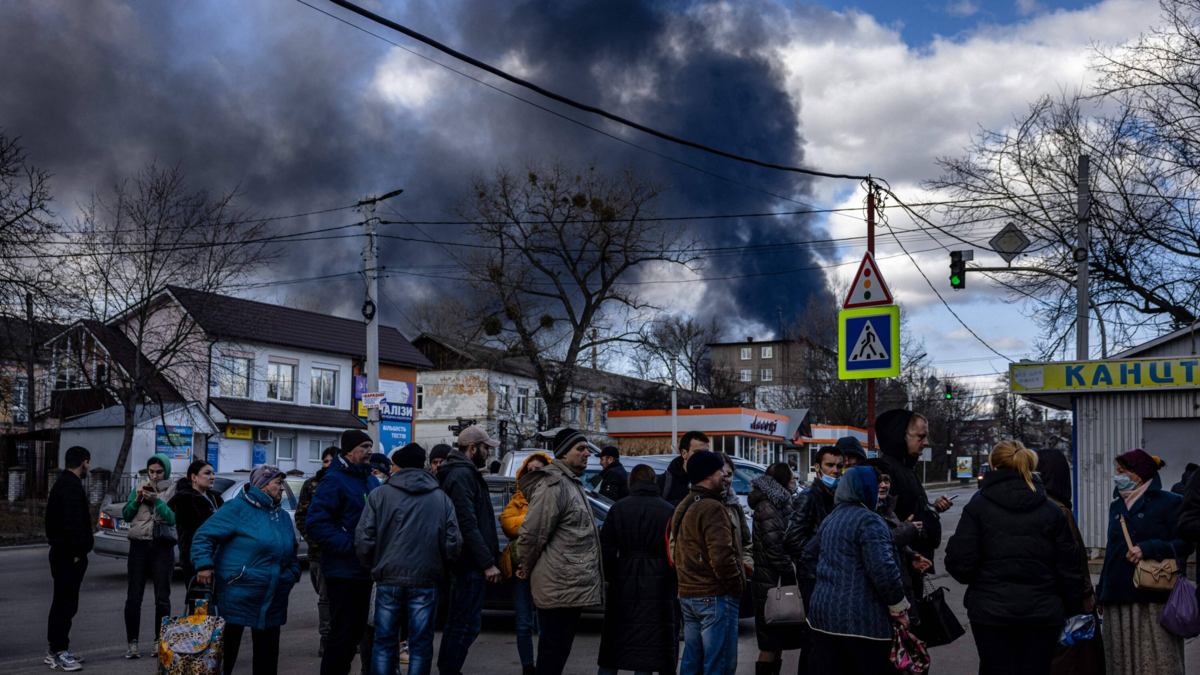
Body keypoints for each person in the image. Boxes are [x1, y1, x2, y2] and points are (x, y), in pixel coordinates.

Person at [944, 441, 1087, 675]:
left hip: (990, 615)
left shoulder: (977, 507)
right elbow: (1070, 569)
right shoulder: (1052, 510)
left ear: (993, 466)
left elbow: (960, 565)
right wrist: (1070, 609)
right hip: (1042, 616)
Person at [356, 443, 461, 675]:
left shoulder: (379, 495)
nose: (391, 468)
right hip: (426, 579)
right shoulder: (441, 498)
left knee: (384, 642)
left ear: (400, 466)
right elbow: (453, 543)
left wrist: (374, 567)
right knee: (421, 644)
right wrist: (440, 569)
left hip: (388, 577)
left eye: (393, 465)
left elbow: (364, 539)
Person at [192, 465, 300, 675]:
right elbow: (204, 536)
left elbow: (292, 551)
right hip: (238, 593)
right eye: (278, 483)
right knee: (224, 656)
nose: (282, 488)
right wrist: (204, 565)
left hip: (273, 596)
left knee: (267, 659)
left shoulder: (283, 516)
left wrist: (291, 574)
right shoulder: (237, 508)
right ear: (263, 485)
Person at [803, 466, 909, 674]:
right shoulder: (869, 520)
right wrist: (899, 609)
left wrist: (831, 577)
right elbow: (884, 571)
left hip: (823, 618)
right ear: (866, 488)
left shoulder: (832, 517)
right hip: (862, 622)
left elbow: (808, 555)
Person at [1096, 448, 1193, 675]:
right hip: (1118, 594)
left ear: (1138, 474)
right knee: (1120, 661)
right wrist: (1101, 592)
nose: (1117, 476)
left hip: (1153, 594)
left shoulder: (1170, 502)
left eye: (1122, 471)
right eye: (1117, 471)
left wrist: (1148, 548)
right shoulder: (1117, 505)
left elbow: (1187, 543)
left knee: (1156, 661)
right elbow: (1112, 551)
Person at [516, 428, 604, 675]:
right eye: (581, 449)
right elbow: (532, 534)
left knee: (557, 652)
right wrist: (527, 566)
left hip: (568, 585)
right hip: (558, 585)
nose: (587, 454)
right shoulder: (554, 484)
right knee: (552, 655)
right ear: (564, 454)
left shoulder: (571, 482)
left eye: (587, 449)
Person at [597, 464, 677, 675]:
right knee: (650, 642)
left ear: (631, 481)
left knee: (615, 639)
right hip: (658, 579)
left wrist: (614, 574)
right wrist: (671, 578)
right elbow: (675, 550)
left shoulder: (618, 507)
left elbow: (605, 548)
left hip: (624, 576)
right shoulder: (668, 509)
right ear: (654, 481)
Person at [306, 430, 375, 675]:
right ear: (348, 451)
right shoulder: (334, 480)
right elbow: (316, 524)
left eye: (370, 446)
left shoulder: (369, 479)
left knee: (356, 633)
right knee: (342, 634)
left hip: (366, 570)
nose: (369, 451)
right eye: (364, 446)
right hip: (343, 571)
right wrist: (351, 546)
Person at [436, 425, 502, 675]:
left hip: (467, 562)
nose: (488, 453)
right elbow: (467, 524)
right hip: (470, 563)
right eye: (485, 448)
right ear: (472, 448)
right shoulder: (462, 474)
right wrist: (487, 562)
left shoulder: (462, 472)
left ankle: (447, 668)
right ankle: (450, 670)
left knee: (458, 621)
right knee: (467, 624)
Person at [670, 450, 743, 675]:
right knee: (719, 665)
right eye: (720, 471)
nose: (724, 476)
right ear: (708, 475)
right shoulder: (712, 507)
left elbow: (676, 549)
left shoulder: (685, 503)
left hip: (689, 594)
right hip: (714, 595)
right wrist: (736, 588)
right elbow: (722, 557)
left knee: (692, 661)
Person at [783, 445, 843, 675]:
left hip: (827, 576)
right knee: (814, 638)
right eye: (830, 465)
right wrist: (819, 560)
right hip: (813, 577)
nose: (835, 471)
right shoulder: (808, 497)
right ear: (817, 467)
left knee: (824, 640)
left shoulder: (835, 495)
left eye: (839, 466)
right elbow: (791, 540)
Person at [868, 409, 951, 575]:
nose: (926, 442)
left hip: (914, 564)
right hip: (901, 567)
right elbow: (885, 524)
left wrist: (933, 508)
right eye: (921, 437)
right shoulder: (887, 472)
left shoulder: (907, 467)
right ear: (902, 436)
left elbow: (911, 508)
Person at [498, 452, 551, 675]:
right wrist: (534, 520)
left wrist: (525, 524)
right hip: (519, 567)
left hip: (546, 567)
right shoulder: (518, 498)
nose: (534, 474)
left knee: (547, 622)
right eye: (530, 470)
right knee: (524, 622)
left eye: (539, 470)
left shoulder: (553, 496)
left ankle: (546, 666)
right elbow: (507, 524)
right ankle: (528, 667)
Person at [121, 453, 177, 659]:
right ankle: (132, 643)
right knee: (133, 597)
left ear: (166, 471)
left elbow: (173, 518)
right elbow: (127, 515)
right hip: (139, 546)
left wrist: (157, 501)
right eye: (151, 472)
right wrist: (137, 500)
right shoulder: (138, 487)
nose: (154, 476)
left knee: (162, 597)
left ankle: (159, 641)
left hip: (162, 546)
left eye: (159, 472)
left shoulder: (174, 490)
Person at [748, 463, 802, 675]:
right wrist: (792, 572)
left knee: (778, 640)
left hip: (774, 580)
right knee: (770, 643)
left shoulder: (779, 502)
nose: (795, 479)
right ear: (782, 479)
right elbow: (775, 546)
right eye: (792, 476)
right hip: (770, 582)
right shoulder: (768, 505)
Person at [44, 446, 93, 672]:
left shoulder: (63, 483)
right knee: (65, 605)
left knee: (63, 603)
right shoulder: (71, 486)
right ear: (84, 463)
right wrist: (77, 552)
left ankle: (56, 650)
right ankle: (59, 652)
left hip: (64, 553)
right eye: (88, 463)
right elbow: (72, 523)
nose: (89, 467)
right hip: (68, 556)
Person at [1035, 449, 1095, 617]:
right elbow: (1073, 557)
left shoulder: (1030, 503)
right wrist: (1086, 593)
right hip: (1062, 597)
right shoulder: (1058, 509)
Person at [296, 446, 337, 657]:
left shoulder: (347, 483)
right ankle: (327, 639)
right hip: (319, 553)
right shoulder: (312, 485)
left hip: (344, 552)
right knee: (325, 597)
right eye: (325, 461)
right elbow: (302, 517)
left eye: (332, 461)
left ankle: (343, 637)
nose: (328, 465)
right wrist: (314, 542)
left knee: (343, 598)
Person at [875, 474, 931, 617]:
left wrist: (911, 555)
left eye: (886, 480)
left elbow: (895, 543)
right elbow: (878, 545)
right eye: (878, 480)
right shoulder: (867, 512)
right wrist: (906, 530)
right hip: (885, 599)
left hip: (901, 587)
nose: (883, 485)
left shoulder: (887, 507)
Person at [168, 460, 225, 584]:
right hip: (195, 559)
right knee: (199, 595)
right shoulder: (184, 499)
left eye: (213, 473)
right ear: (194, 477)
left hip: (218, 557)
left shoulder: (215, 497)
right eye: (207, 473)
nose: (212, 477)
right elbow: (195, 531)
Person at [659, 430, 709, 506]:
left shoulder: (711, 482)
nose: (704, 456)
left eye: (707, 453)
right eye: (698, 452)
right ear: (684, 453)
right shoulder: (664, 483)